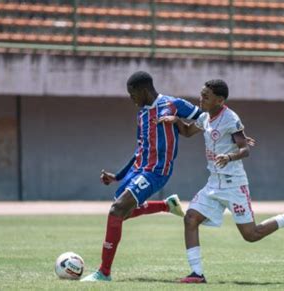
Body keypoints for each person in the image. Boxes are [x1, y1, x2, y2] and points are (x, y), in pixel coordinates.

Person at [159, 79, 284, 284]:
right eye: (201, 94)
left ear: (219, 100)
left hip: (234, 184)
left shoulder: (230, 118)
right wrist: (176, 120)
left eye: (206, 96)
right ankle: (197, 274)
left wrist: (229, 157)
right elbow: (189, 132)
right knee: (190, 218)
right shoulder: (206, 116)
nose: (201, 99)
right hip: (213, 183)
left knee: (251, 235)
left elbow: (245, 150)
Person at [80, 71, 202, 282]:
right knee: (123, 214)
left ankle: (104, 272)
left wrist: (180, 122)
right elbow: (139, 149)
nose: (131, 98)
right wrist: (117, 176)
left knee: (116, 209)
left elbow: (206, 117)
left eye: (132, 94)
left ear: (143, 91)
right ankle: (166, 205)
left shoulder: (173, 104)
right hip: (138, 170)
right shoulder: (142, 115)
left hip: (157, 171)